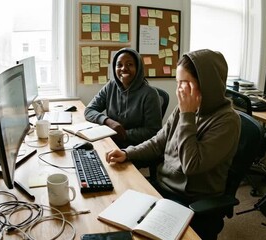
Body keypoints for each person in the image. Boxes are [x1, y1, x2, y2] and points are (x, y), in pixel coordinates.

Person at [105, 49, 241, 240]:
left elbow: (191, 165)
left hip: (192, 200)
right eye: (178, 83)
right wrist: (128, 153)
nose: (180, 90)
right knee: (114, 217)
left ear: (207, 84)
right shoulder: (184, 108)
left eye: (186, 84)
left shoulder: (227, 121)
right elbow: (159, 141)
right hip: (163, 188)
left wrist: (187, 115)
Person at [84, 48, 162, 148]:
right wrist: (108, 122)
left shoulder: (150, 94)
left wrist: (122, 134)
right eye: (119, 65)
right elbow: (89, 110)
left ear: (138, 68)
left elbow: (153, 131)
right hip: (111, 143)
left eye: (129, 64)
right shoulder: (111, 86)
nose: (123, 69)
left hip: (137, 149)